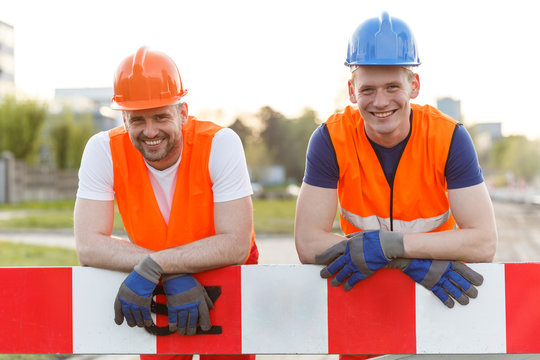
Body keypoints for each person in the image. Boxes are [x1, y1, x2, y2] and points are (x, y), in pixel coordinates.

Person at [294, 12, 498, 360]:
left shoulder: (449, 137)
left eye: (393, 87)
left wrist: (389, 246)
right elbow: (308, 243)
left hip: (437, 299)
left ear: (414, 86)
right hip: (363, 303)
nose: (380, 102)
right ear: (351, 91)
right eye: (367, 90)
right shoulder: (330, 138)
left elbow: (484, 241)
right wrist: (403, 259)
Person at [74, 46, 258, 360]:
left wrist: (155, 265)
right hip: (152, 282)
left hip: (224, 275)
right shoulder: (102, 150)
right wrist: (167, 272)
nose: (150, 131)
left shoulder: (220, 144)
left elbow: (236, 244)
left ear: (182, 112)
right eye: (138, 119)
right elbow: (88, 246)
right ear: (123, 117)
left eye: (161, 116)